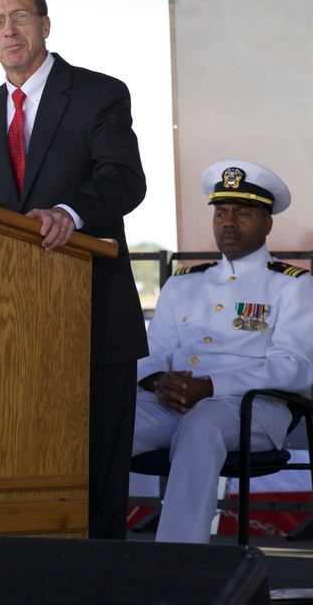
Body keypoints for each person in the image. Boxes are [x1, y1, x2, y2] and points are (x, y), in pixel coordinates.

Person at [0, 0, 148, 539]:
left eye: (20, 17)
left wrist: (69, 213)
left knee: (95, 484)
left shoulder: (97, 93)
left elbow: (124, 179)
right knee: (24, 478)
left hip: (90, 317)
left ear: (44, 25)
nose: (8, 30)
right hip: (10, 331)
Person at [132, 160, 313, 543]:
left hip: (251, 408)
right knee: (103, 421)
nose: (228, 222)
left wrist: (211, 386)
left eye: (243, 213)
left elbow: (295, 368)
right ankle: (79, 546)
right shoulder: (184, 283)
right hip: (174, 403)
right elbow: (152, 349)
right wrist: (158, 380)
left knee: (202, 425)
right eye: (221, 212)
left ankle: (178, 562)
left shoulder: (292, 286)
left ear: (267, 224)